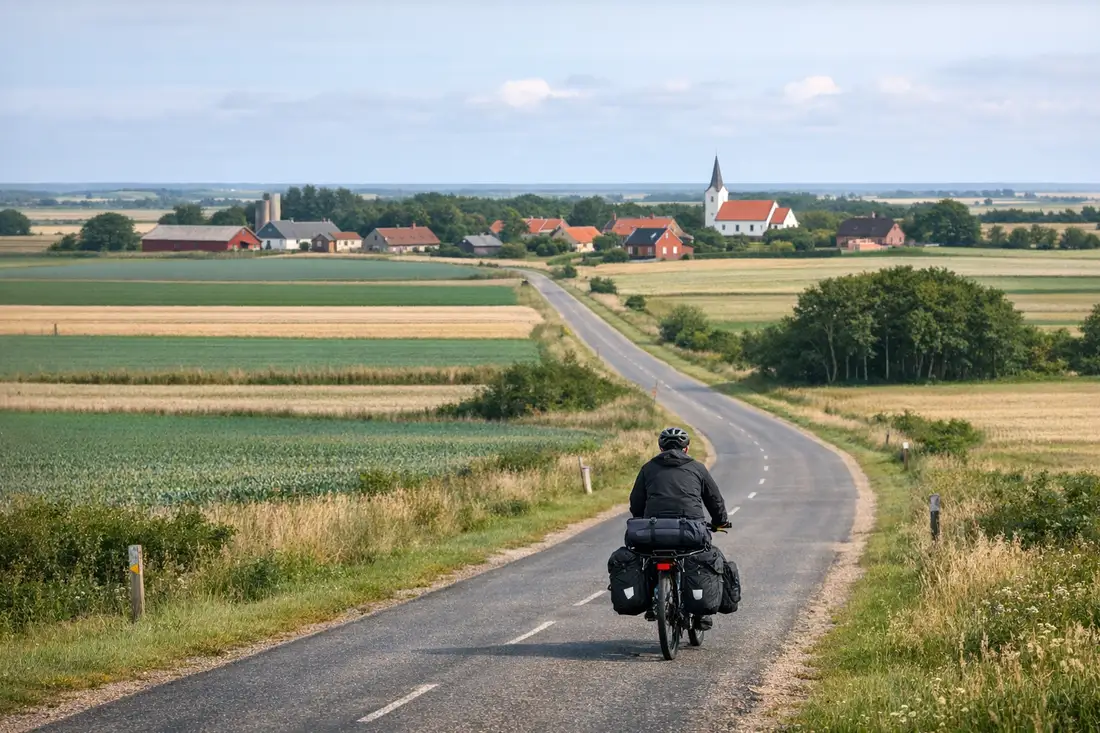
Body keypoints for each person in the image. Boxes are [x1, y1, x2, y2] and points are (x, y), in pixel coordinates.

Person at [629, 426, 732, 629]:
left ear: (661, 448)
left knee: (647, 557)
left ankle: (652, 601)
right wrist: (720, 521)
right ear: (686, 448)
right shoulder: (697, 468)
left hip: (654, 531)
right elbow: (714, 500)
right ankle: (700, 613)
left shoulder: (648, 468)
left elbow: (636, 502)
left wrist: (642, 520)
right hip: (691, 531)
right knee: (701, 558)